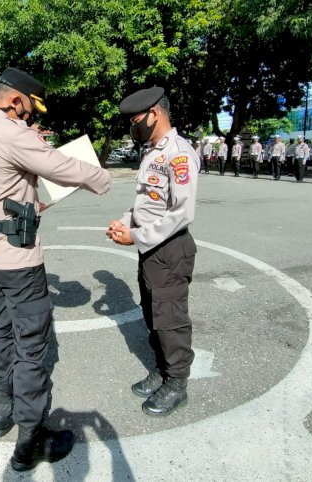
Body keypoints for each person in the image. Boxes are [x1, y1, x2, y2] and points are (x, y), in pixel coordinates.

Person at [0, 67, 111, 472]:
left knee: (3, 329)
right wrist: (102, 177)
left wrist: (9, 204)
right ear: (14, 100)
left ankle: (1, 412)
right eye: (27, 109)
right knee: (32, 346)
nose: (27, 117)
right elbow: (60, 166)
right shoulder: (10, 132)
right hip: (20, 257)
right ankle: (31, 439)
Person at [107, 86, 199, 418]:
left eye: (136, 120)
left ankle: (177, 384)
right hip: (151, 248)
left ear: (154, 114)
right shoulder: (152, 151)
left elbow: (182, 212)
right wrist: (123, 222)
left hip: (170, 249)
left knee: (170, 320)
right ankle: (162, 370)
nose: (133, 126)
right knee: (152, 316)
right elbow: (147, 204)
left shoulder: (179, 153)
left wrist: (137, 237)